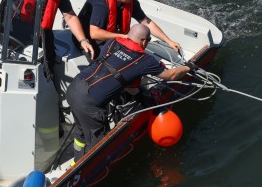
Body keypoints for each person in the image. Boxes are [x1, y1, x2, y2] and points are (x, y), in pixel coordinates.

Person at [66, 24, 190, 162]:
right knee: (97, 146)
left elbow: (119, 74)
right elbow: (171, 75)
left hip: (75, 87)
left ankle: (74, 161)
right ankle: (82, 170)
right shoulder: (144, 60)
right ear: (144, 41)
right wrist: (188, 68)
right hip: (89, 104)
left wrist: (138, 95)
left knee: (81, 131)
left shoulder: (112, 42)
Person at [77, 0, 181, 58]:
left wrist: (169, 41)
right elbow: (95, 34)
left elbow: (146, 22)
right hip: (89, 40)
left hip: (112, 36)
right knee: (117, 61)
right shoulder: (101, 3)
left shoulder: (129, 1)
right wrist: (124, 36)